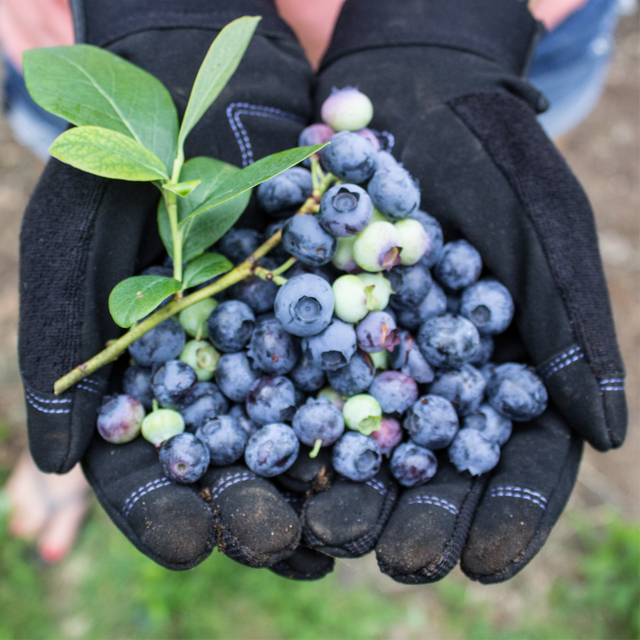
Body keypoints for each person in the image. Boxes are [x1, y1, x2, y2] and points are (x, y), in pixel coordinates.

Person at [8, 0, 627, 582]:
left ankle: (73, 459)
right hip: (95, 26)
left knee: (507, 170)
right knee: (107, 223)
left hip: (507, 30)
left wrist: (455, 20)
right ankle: (78, 455)